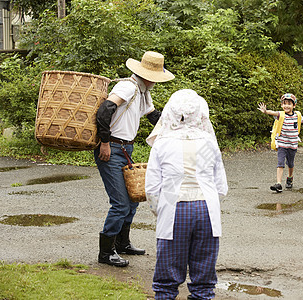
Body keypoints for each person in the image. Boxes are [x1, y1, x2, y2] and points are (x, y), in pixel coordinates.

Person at [144, 89, 228, 300]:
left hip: (174, 209)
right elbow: (220, 185)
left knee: (167, 275)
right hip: (206, 210)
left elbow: (152, 188)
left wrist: (160, 211)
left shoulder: (162, 143)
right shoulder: (209, 142)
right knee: (203, 276)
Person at [95, 51, 175, 267]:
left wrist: (177, 127)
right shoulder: (128, 87)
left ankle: (122, 244)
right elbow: (104, 111)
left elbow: (153, 117)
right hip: (111, 147)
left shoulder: (142, 91)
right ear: (147, 75)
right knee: (120, 203)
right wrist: (103, 143)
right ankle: (105, 253)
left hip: (125, 149)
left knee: (132, 201)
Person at [258, 93, 303, 193]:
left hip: (292, 145)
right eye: (284, 103)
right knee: (280, 163)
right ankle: (279, 184)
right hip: (282, 144)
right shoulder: (281, 115)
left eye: (289, 103)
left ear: (294, 105)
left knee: (290, 163)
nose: (286, 106)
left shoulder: (297, 115)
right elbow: (273, 113)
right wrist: (266, 111)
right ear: (281, 105)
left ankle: (290, 178)